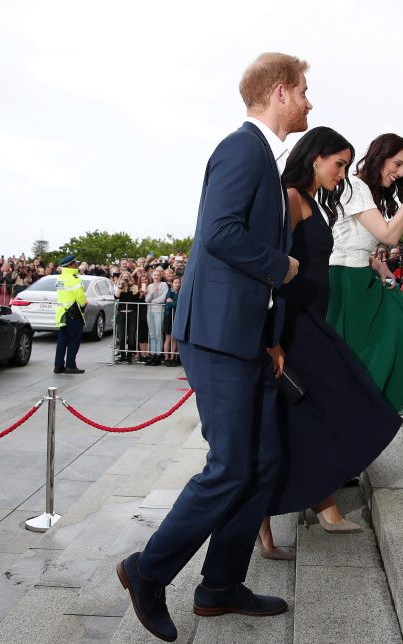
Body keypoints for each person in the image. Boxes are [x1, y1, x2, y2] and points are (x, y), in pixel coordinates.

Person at [116, 52, 308, 642]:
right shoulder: (241, 147)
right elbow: (218, 233)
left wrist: (273, 337)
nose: (309, 101)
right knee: (229, 466)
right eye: (304, 90)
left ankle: (220, 585)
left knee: (264, 461)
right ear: (280, 92)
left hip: (247, 338)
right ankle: (147, 571)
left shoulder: (263, 161)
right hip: (219, 335)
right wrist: (285, 267)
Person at [258, 127, 403, 559]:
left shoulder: (317, 200)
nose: (343, 173)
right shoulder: (288, 197)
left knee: (314, 412)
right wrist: (272, 341)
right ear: (316, 156)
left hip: (312, 321)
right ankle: (284, 517)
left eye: (345, 165)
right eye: (338, 163)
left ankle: (316, 501)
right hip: (292, 326)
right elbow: (268, 270)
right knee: (299, 413)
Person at [328, 133, 403, 414]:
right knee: (365, 355)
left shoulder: (365, 192)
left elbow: (350, 239)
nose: (399, 173)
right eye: (396, 164)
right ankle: (359, 420)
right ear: (380, 156)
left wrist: (378, 264)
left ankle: (366, 418)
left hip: (359, 277)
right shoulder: (354, 185)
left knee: (402, 329)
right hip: (343, 283)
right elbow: (390, 236)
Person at [53, 254, 86, 375]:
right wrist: (84, 303)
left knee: (62, 340)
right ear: (71, 265)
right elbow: (81, 298)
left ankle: (58, 366)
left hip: (62, 312)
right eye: (75, 263)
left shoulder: (60, 278)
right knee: (74, 340)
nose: (77, 264)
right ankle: (70, 366)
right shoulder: (74, 278)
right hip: (73, 311)